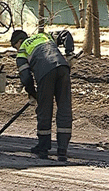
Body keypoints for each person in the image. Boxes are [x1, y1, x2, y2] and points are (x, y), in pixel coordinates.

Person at [10, 29, 74, 161]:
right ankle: (62, 150)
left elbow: (26, 78)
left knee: (44, 109)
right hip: (63, 68)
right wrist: (69, 54)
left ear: (19, 42)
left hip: (45, 73)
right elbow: (66, 34)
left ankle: (43, 148)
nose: (17, 49)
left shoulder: (22, 51)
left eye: (15, 46)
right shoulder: (44, 36)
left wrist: (33, 94)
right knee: (64, 108)